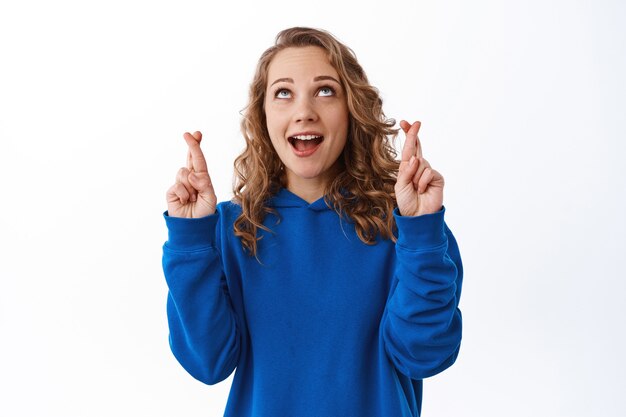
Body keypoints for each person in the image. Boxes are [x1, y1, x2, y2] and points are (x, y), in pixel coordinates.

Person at [162, 27, 463, 417]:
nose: (304, 110)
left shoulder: (405, 225)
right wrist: (190, 240)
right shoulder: (228, 228)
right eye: (283, 93)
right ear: (263, 114)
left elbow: (423, 355)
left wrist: (422, 234)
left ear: (352, 109)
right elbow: (208, 363)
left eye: (325, 90)